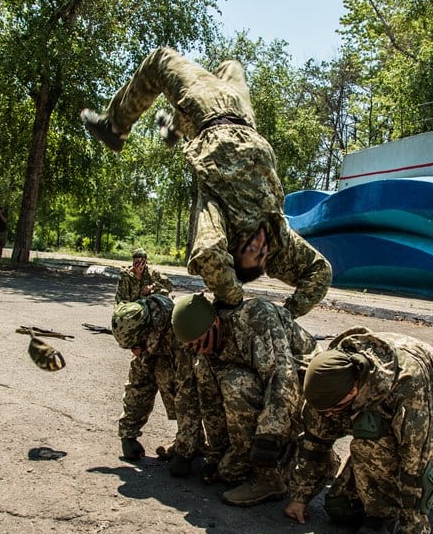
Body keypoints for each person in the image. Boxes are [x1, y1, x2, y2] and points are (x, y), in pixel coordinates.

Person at [80, 47, 331, 318]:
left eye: (252, 252)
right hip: (244, 120)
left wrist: (231, 300)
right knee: (231, 66)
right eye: (261, 255)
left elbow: (210, 252)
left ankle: (115, 128)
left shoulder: (218, 214)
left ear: (235, 251)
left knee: (159, 60)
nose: (259, 246)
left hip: (211, 118)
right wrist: (288, 314)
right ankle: (175, 128)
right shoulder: (278, 240)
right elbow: (320, 272)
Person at [284, 328, 433, 534]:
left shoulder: (409, 386)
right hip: (377, 411)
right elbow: (315, 442)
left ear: (353, 390)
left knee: (369, 440)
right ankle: (373, 473)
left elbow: (413, 461)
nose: (329, 416)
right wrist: (301, 496)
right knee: (341, 509)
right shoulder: (332, 379)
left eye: (333, 410)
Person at [171, 292, 318, 507]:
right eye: (191, 347)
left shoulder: (257, 317)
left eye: (199, 343)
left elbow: (281, 376)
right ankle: (253, 456)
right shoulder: (205, 346)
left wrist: (268, 438)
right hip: (263, 386)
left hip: (301, 386)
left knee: (235, 383)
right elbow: (199, 399)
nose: (197, 350)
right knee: (229, 472)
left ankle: (269, 478)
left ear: (215, 324)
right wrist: (215, 455)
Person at [111, 295, 207, 477]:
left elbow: (188, 395)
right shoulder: (147, 337)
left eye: (136, 346)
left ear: (148, 332)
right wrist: (128, 434)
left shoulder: (179, 332)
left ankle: (206, 447)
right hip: (183, 374)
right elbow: (137, 385)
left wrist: (184, 453)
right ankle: (192, 442)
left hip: (217, 378)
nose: (135, 351)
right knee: (158, 369)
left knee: (170, 376)